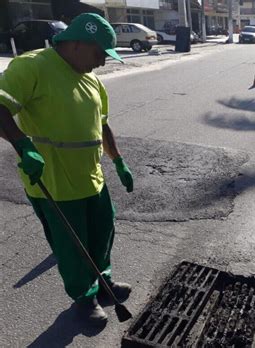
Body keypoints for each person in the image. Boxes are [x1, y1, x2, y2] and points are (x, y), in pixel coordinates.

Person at [0, 13, 133, 325]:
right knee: (72, 245)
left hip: (92, 178)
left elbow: (103, 125)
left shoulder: (93, 80)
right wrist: (23, 146)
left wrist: (119, 161)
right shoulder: (32, 66)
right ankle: (83, 298)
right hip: (54, 183)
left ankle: (103, 283)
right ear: (77, 44)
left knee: (103, 233)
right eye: (100, 53)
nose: (103, 61)